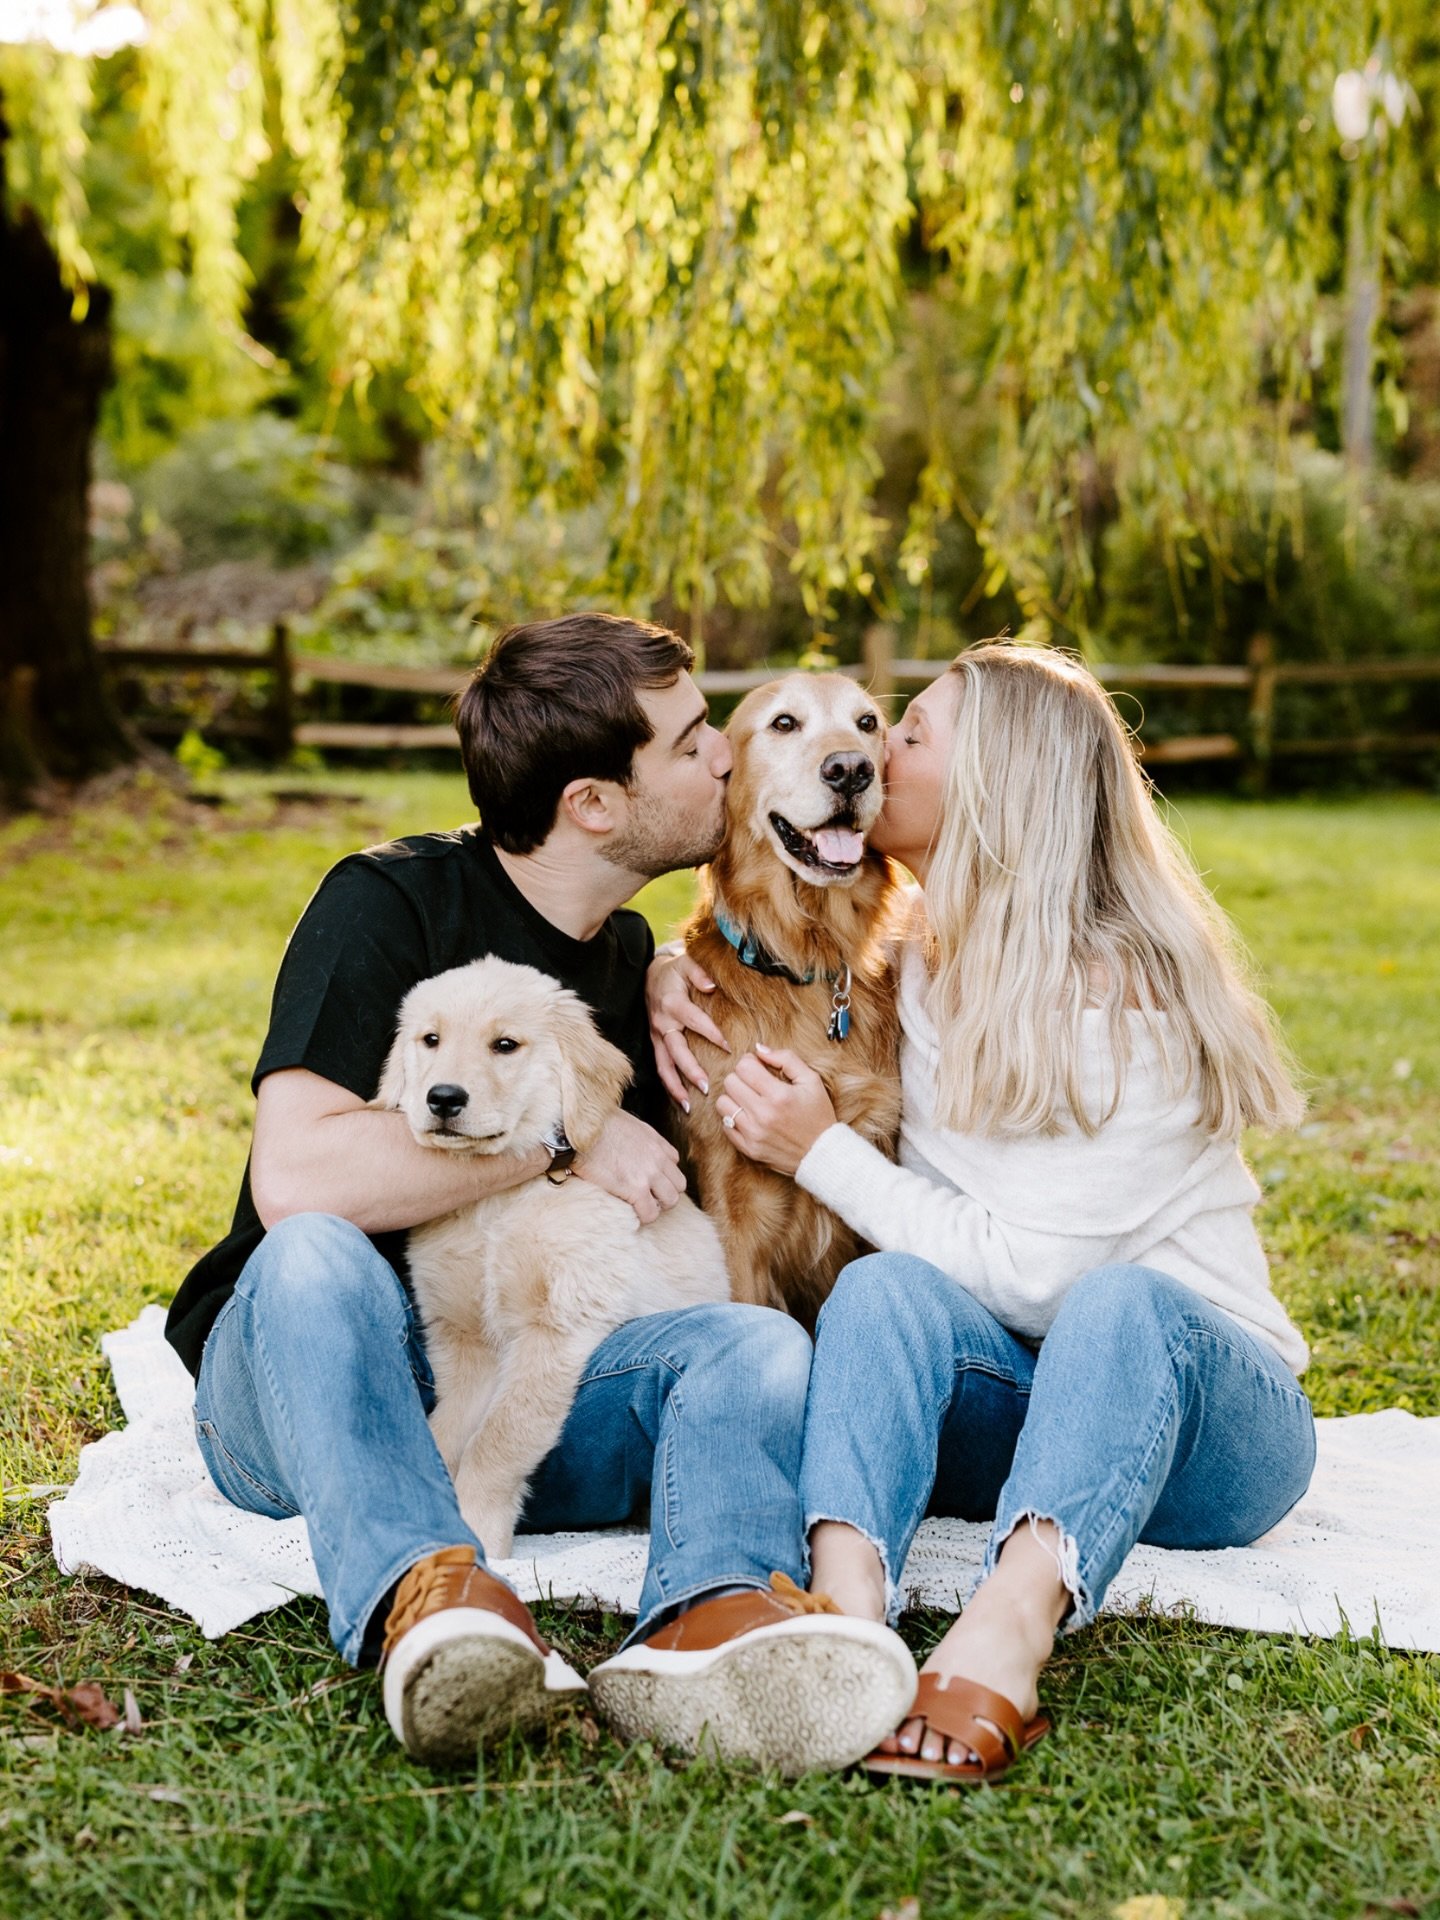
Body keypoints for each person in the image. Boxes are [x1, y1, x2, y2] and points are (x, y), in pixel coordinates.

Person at [166, 612, 916, 1772]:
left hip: (524, 1383)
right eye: (687, 743)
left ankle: (717, 1612)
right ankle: (436, 1595)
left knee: (750, 1349)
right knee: (308, 1253)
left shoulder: (631, 963)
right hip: (316, 1387)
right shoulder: (388, 903)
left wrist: (672, 972)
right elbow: (298, 1176)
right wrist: (563, 1138)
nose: (723, 757)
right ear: (595, 806)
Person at [650, 642, 1315, 1783]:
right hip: (1022, 1395)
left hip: (1204, 1425)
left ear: (1002, 784)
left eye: (904, 736)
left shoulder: (1130, 994)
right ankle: (846, 1611)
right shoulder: (912, 961)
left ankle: (1006, 1635)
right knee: (883, 1286)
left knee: (1116, 1305)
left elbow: (1040, 1283)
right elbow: (783, 957)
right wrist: (666, 962)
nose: (866, 755)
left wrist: (819, 1154)